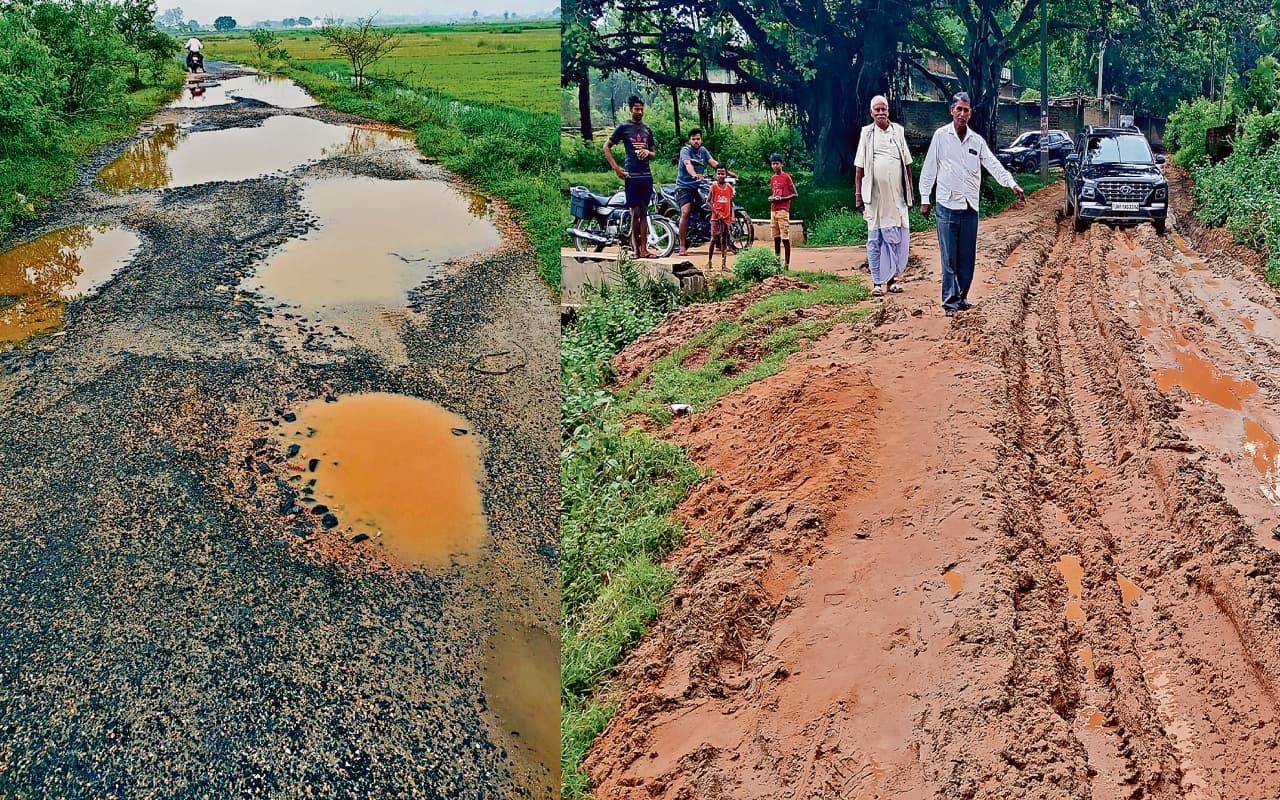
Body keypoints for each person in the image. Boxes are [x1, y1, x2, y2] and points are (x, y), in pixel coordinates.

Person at [918, 92, 1025, 317]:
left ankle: (962, 296)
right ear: (952, 110)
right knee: (949, 257)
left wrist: (1012, 184)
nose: (962, 113)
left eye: (966, 110)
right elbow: (929, 169)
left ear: (970, 114)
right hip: (947, 205)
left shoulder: (976, 141)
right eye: (958, 109)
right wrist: (925, 198)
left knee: (966, 257)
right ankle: (950, 301)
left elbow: (993, 164)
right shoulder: (941, 136)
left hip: (969, 207)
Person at [854, 95, 913, 296]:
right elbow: (859, 167)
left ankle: (892, 281)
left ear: (888, 111)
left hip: (896, 198)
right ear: (871, 113)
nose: (880, 113)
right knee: (876, 240)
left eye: (883, 109)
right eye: (877, 110)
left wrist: (910, 192)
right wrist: (858, 195)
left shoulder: (898, 131)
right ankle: (877, 283)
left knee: (895, 239)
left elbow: (907, 164)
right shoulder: (866, 133)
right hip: (875, 199)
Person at [604, 96, 657, 258]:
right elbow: (606, 147)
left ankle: (644, 249)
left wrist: (647, 152)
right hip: (631, 175)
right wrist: (616, 168)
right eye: (636, 109)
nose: (639, 112)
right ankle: (636, 250)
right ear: (630, 109)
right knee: (635, 212)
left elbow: (654, 154)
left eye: (641, 109)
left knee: (644, 212)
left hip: (646, 175)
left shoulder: (647, 129)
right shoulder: (624, 127)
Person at [675, 129, 732, 255]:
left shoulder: (703, 151)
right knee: (686, 212)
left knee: (713, 207)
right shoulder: (685, 151)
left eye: (698, 139)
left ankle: (718, 242)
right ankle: (682, 245)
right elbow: (688, 164)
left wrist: (727, 172)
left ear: (701, 140)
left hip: (699, 186)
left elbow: (713, 163)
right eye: (693, 139)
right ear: (690, 140)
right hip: (684, 187)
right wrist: (694, 174)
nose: (696, 141)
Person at [767, 153, 798, 268]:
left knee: (785, 238)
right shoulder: (773, 178)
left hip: (783, 210)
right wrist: (772, 198)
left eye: (777, 163)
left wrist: (782, 199)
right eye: (773, 164)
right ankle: (777, 263)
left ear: (781, 164)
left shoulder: (786, 177)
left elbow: (795, 194)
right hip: (773, 209)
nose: (775, 166)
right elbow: (774, 192)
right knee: (776, 238)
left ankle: (787, 264)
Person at [707, 166, 734, 272]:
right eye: (718, 173)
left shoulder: (729, 188)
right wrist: (716, 212)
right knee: (713, 239)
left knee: (724, 240)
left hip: (726, 218)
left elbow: (730, 203)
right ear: (716, 175)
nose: (720, 176)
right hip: (715, 218)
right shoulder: (713, 187)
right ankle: (709, 262)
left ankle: (724, 264)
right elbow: (708, 202)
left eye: (723, 173)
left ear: (726, 175)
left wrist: (732, 216)